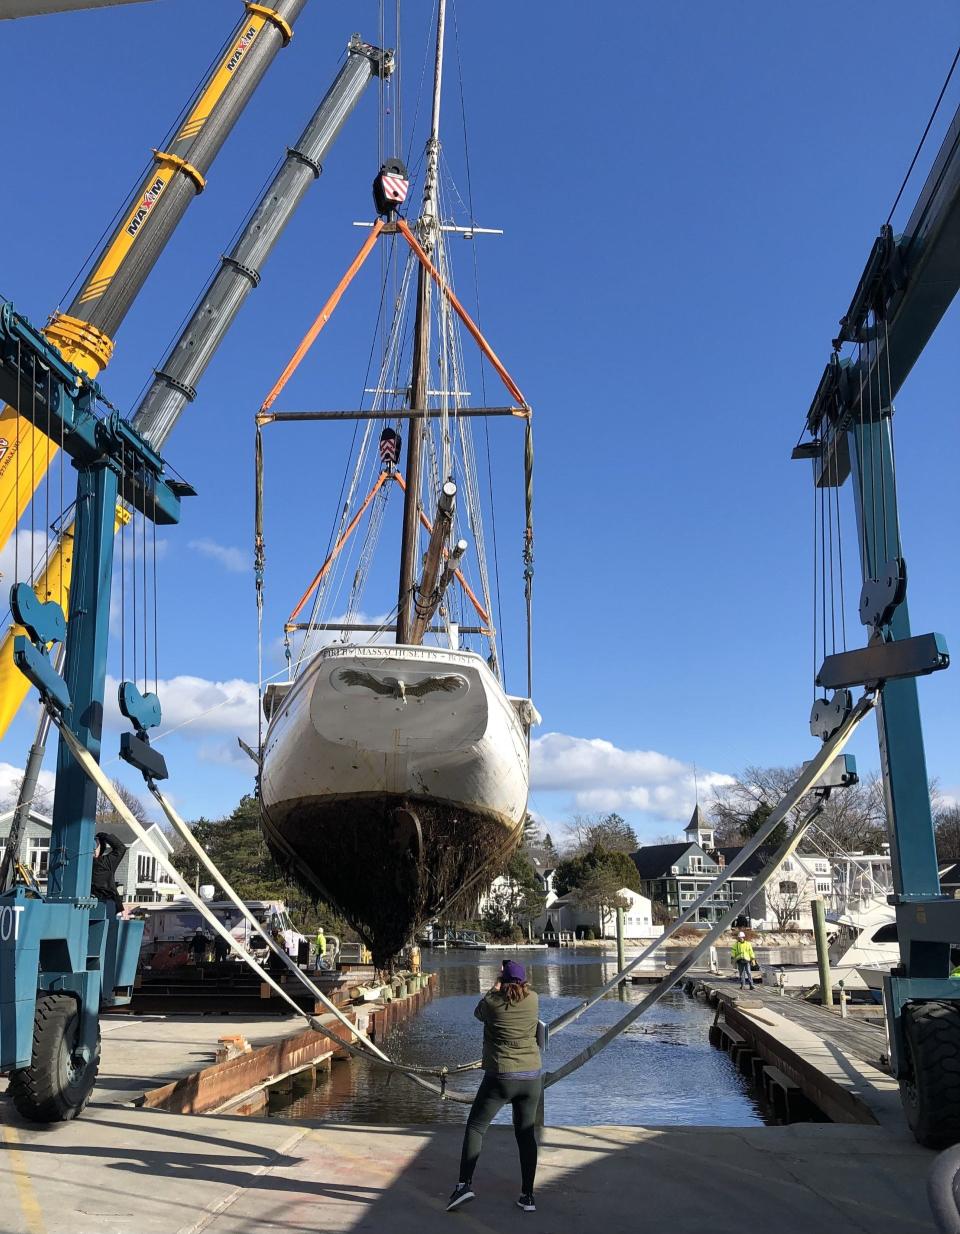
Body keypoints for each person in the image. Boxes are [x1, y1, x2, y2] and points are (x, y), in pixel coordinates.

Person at [447, 959, 542, 1215]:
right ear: (523, 981)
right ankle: (528, 1196)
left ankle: (464, 1185)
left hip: (502, 1076)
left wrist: (492, 988)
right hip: (531, 1077)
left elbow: (478, 1013)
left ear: (503, 981)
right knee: (525, 1135)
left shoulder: (492, 1003)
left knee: (476, 1127)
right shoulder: (533, 999)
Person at [91, 832, 126, 916]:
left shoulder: (103, 862)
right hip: (107, 902)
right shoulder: (104, 863)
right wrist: (105, 836)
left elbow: (121, 849)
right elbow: (121, 848)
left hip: (102, 903)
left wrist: (104, 837)